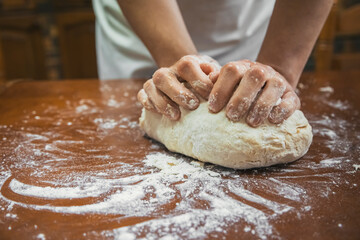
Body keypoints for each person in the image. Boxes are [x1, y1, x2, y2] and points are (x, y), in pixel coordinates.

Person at [92, 0, 333, 127]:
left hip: (249, 20)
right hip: (145, 29)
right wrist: (176, 63)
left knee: (258, 96)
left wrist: (280, 68)